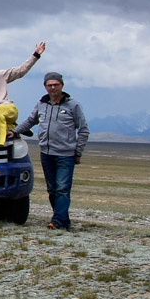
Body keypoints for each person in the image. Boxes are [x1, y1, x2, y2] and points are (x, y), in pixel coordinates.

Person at [16, 71, 88, 230]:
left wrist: (78, 151)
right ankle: (63, 220)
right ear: (45, 86)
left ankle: (57, 221)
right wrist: (15, 131)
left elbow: (83, 130)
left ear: (62, 86)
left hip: (66, 154)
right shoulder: (41, 103)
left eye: (56, 85)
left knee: (62, 188)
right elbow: (30, 121)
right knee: (53, 189)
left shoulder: (72, 105)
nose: (53, 87)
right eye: (50, 85)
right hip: (46, 153)